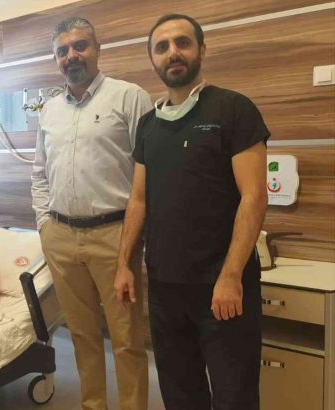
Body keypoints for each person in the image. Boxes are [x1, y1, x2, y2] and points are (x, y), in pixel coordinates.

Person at [114, 14, 269, 410]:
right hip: (165, 288)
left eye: (182, 42)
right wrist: (124, 264)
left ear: (202, 49)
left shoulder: (233, 109)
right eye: (162, 47)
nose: (173, 53)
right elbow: (138, 200)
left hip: (222, 286)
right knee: (180, 395)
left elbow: (254, 197)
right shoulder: (148, 125)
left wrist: (231, 277)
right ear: (152, 59)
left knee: (234, 397)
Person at [30, 17, 152, 410]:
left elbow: (149, 174)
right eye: (62, 51)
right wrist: (44, 225)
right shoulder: (49, 110)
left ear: (97, 49)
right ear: (56, 59)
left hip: (114, 236)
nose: (72, 56)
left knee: (127, 339)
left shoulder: (129, 97)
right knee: (81, 335)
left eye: (80, 46)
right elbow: (39, 172)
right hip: (61, 237)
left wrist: (134, 241)